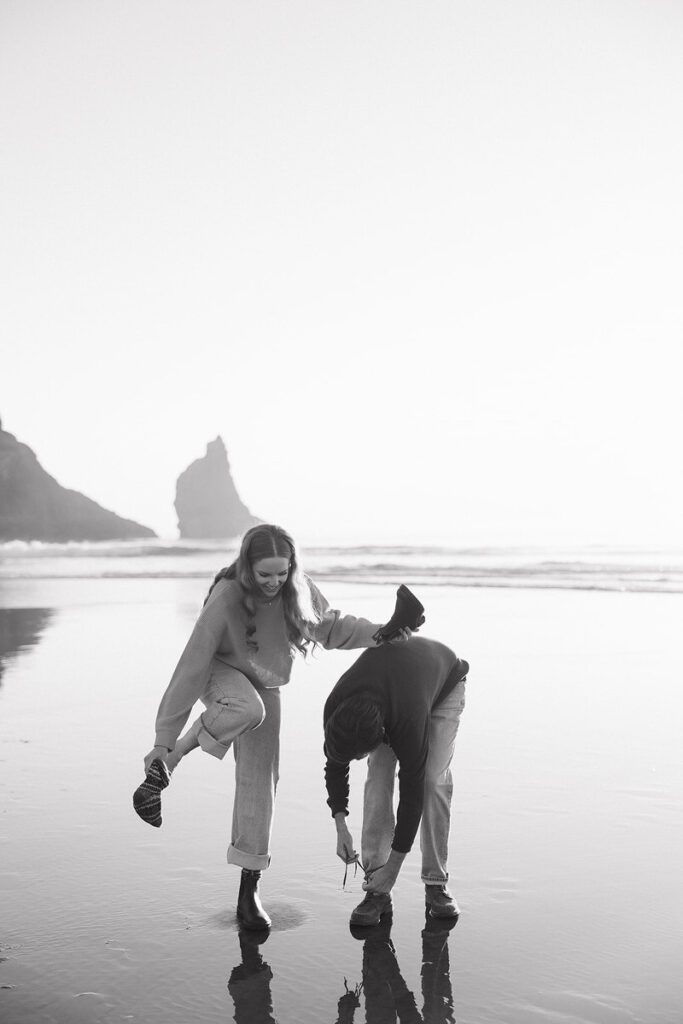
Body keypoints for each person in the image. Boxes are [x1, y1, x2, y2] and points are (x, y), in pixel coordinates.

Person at [133, 524, 409, 931]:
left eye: (281, 573)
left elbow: (331, 627)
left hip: (265, 682)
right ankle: (169, 760)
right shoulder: (227, 597)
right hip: (219, 673)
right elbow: (191, 666)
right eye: (265, 574)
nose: (274, 582)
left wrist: (382, 633)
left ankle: (249, 888)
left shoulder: (297, 588)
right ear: (247, 568)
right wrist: (163, 739)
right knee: (247, 708)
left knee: (261, 781)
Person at [323, 636, 468, 926]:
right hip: (396, 683)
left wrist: (395, 868)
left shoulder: (406, 719)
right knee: (377, 777)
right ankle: (376, 886)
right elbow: (335, 764)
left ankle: (435, 882)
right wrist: (340, 826)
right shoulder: (336, 709)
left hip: (443, 684)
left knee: (431, 781)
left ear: (381, 733)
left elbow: (411, 797)